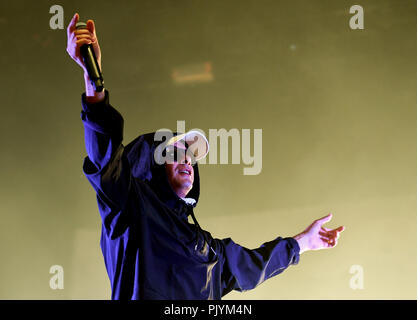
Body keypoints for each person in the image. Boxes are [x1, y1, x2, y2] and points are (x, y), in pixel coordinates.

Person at [66, 13, 345, 300]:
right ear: (152, 164)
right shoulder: (129, 205)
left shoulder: (208, 249)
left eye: (191, 156)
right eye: (176, 153)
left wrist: (303, 243)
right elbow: (106, 157)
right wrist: (93, 81)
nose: (187, 160)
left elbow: (254, 265)